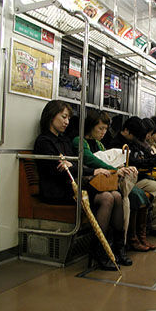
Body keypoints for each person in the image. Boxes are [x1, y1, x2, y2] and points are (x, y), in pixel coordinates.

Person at [33, 100, 131, 271]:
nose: (67, 122)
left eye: (68, 118)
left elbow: (75, 165)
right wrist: (90, 172)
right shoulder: (44, 142)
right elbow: (59, 170)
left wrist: (87, 170)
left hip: (73, 185)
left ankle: (117, 247)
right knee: (107, 198)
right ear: (51, 116)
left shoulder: (63, 141)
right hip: (57, 189)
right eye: (63, 117)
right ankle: (99, 250)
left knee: (116, 195)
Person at [72, 110, 155, 252]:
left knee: (120, 196)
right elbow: (91, 160)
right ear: (91, 126)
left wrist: (123, 168)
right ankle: (107, 246)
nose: (104, 132)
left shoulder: (99, 144)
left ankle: (119, 245)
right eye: (100, 128)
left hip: (104, 183)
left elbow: (109, 161)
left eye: (105, 129)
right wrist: (115, 170)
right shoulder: (79, 141)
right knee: (118, 197)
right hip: (89, 183)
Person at [109, 116, 156, 239]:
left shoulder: (133, 141)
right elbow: (134, 162)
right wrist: (155, 161)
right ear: (127, 131)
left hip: (143, 175)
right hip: (134, 178)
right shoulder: (117, 144)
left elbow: (145, 158)